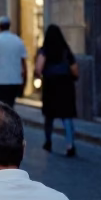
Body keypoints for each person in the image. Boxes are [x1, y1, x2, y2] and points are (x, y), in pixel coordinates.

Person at [36, 24, 79, 157]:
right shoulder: (66, 50)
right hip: (66, 85)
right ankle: (70, 145)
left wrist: (41, 75)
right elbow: (75, 68)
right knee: (66, 116)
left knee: (49, 115)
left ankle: (48, 142)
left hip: (51, 85)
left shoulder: (45, 50)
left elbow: (39, 68)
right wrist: (73, 77)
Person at [0, 16, 27, 109]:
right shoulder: (18, 41)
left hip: (0, 80)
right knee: (10, 105)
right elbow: (23, 63)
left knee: (1, 105)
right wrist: (25, 79)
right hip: (15, 79)